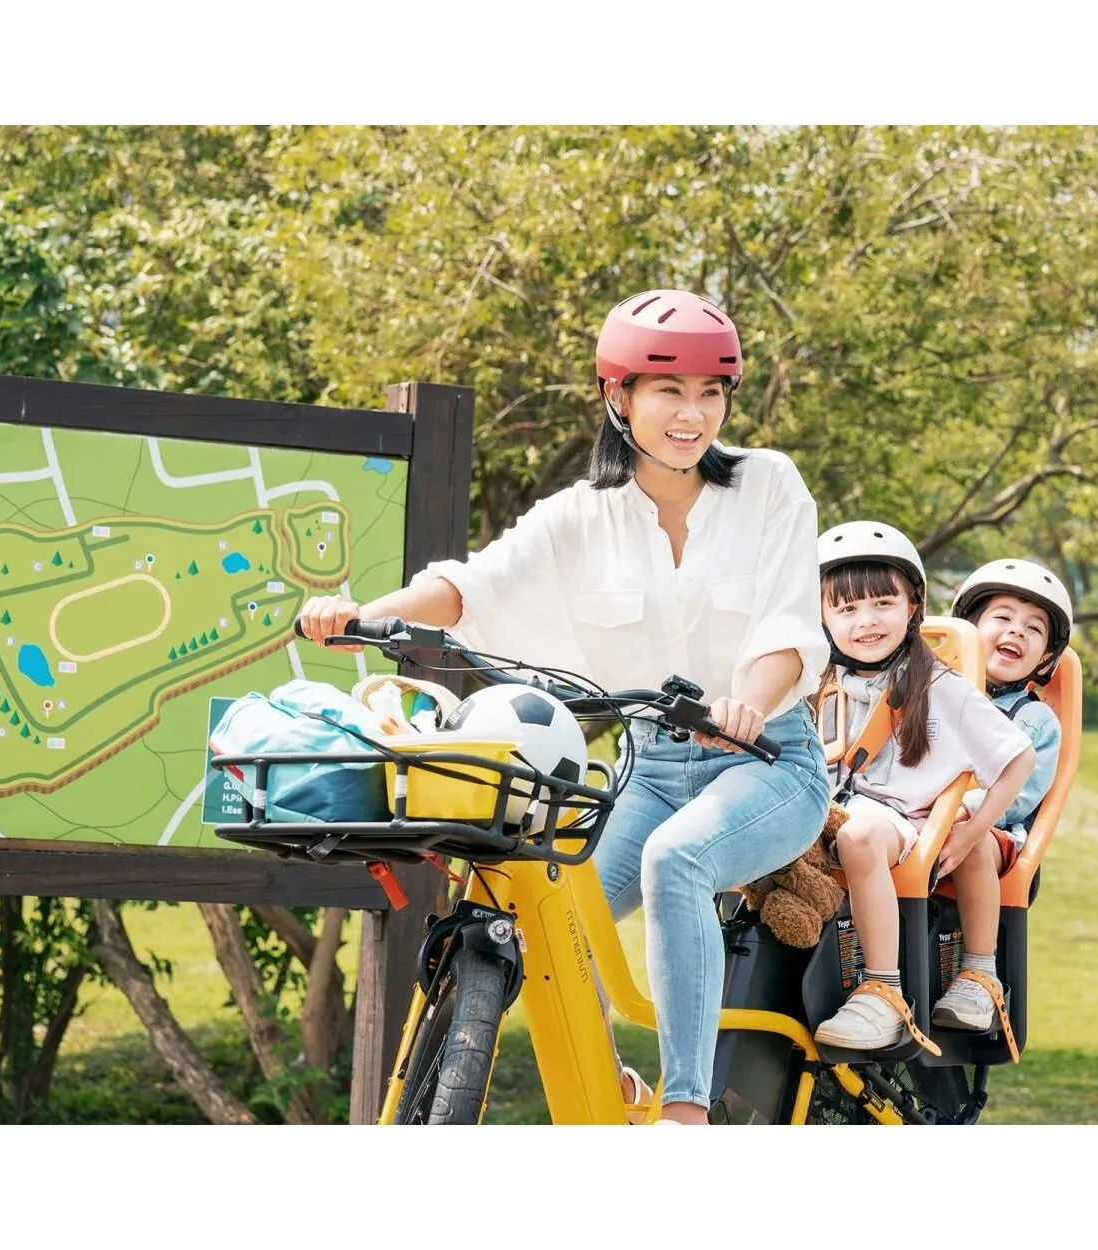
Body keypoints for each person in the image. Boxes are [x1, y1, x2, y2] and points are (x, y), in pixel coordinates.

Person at [299, 289, 830, 1124]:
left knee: (677, 861)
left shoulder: (768, 484)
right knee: (548, 894)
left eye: (711, 393)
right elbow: (471, 586)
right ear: (619, 396)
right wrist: (366, 615)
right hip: (648, 767)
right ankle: (603, 1080)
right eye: (670, 392)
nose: (693, 415)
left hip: (768, 760)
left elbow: (789, 626)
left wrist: (749, 705)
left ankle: (686, 1112)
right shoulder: (582, 516)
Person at [809, 522, 1036, 1050]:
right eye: (847, 608)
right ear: (821, 618)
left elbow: (1018, 757)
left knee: (860, 836)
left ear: (913, 606)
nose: (866, 620)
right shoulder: (816, 686)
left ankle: (883, 993)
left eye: (882, 603)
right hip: (826, 813)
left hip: (902, 823)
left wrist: (974, 829)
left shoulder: (939, 687)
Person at [932, 557, 1071, 1031]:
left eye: (1033, 628)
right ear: (967, 631)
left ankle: (978, 974)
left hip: (992, 834)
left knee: (971, 841)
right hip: (916, 821)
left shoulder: (1034, 720)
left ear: (1045, 658)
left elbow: (1018, 795)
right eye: (1003, 617)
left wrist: (958, 813)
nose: (1016, 631)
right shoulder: (930, 697)